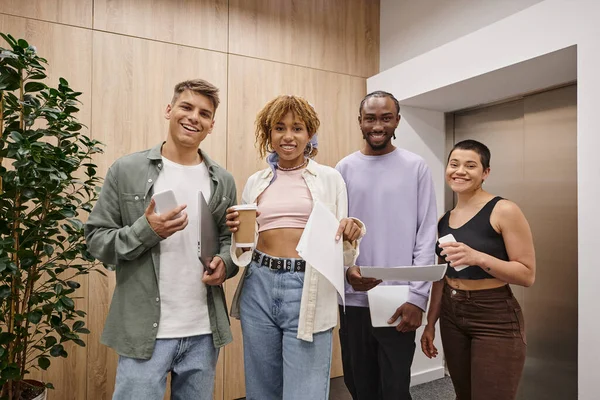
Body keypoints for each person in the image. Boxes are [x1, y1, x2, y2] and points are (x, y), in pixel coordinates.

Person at [84, 79, 237, 400]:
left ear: (211, 125)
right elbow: (97, 241)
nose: (194, 117)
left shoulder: (222, 180)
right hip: (144, 332)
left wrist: (225, 262)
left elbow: (228, 240)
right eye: (186, 107)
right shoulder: (126, 170)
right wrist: (147, 230)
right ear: (169, 110)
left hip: (203, 332)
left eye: (204, 113)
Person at [225, 95, 363, 400]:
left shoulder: (330, 179)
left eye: (297, 128)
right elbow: (242, 250)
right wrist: (237, 231)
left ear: (309, 134)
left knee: (306, 392)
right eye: (280, 128)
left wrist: (352, 232)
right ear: (269, 134)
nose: (288, 136)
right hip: (258, 284)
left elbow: (343, 252)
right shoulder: (255, 182)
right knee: (262, 390)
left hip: (308, 286)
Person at [335, 91, 438, 400]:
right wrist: (348, 269)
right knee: (359, 386)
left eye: (385, 118)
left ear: (397, 121)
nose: (377, 125)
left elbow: (426, 235)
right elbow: (337, 233)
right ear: (360, 122)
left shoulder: (415, 167)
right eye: (370, 118)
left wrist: (418, 298)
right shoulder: (344, 169)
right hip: (354, 300)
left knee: (394, 390)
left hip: (399, 301)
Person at [420, 139, 536, 400]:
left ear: (485, 173)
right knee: (463, 395)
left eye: (470, 165)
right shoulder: (444, 220)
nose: (460, 171)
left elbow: (527, 274)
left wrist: (478, 257)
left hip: (494, 315)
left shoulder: (504, 210)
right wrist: (430, 323)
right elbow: (441, 277)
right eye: (454, 164)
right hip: (452, 314)